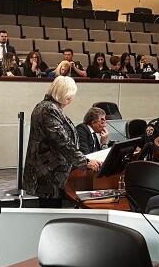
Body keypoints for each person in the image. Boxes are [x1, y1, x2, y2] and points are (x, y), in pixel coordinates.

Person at [23, 76, 101, 208]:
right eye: (70, 97)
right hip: (48, 174)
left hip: (52, 172)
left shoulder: (49, 107)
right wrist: (85, 162)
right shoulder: (48, 110)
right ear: (65, 95)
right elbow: (61, 141)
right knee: (50, 214)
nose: (71, 100)